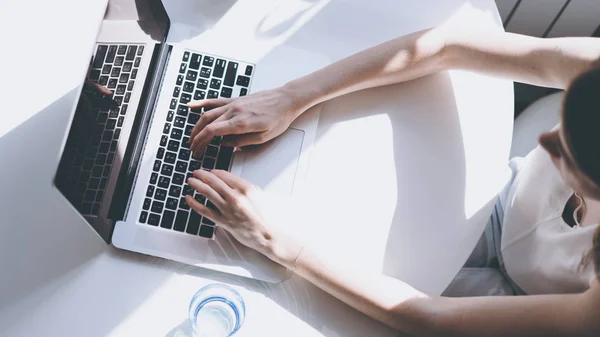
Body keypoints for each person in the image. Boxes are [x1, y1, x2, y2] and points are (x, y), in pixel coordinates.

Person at [182, 26, 600, 336]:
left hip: (521, 305)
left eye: (569, 154)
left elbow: (431, 317)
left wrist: (279, 242)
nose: (545, 141)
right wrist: (292, 97)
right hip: (503, 200)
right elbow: (445, 45)